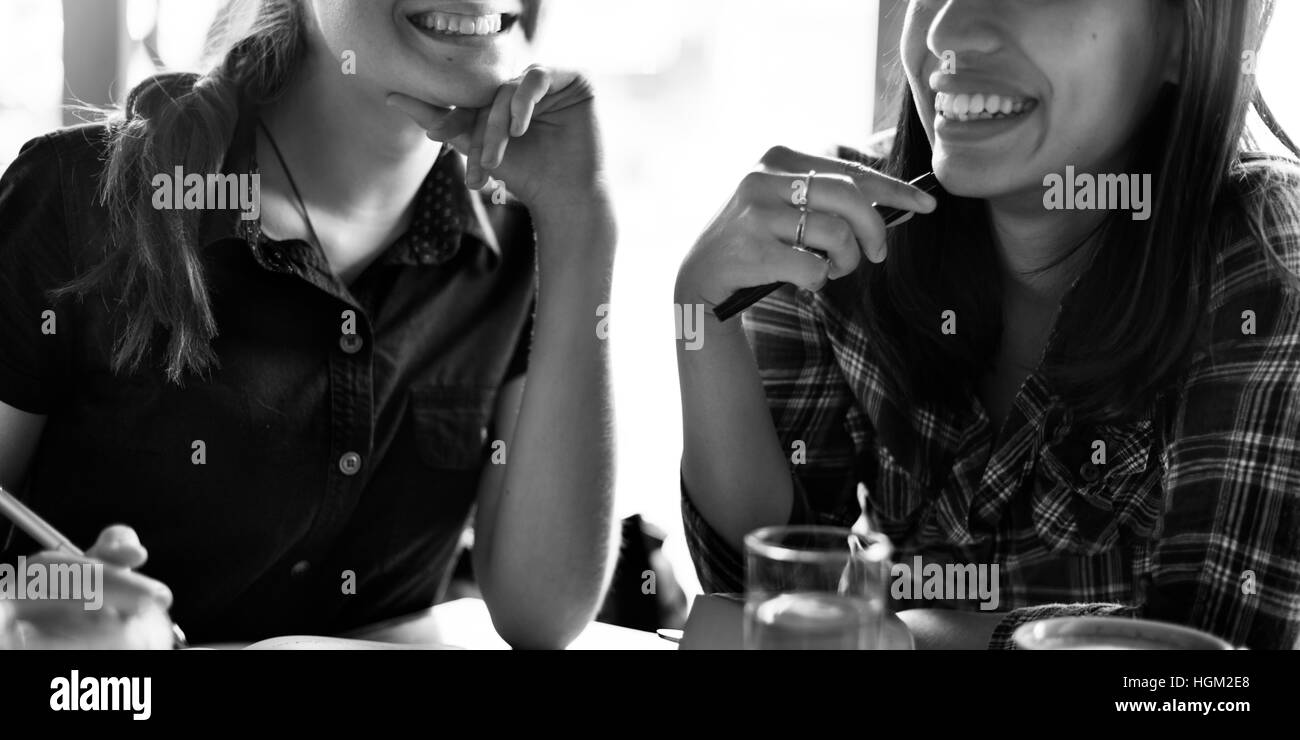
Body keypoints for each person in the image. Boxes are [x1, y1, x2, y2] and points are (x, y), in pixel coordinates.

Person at [676, 0, 1300, 649]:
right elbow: (760, 604)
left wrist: (906, 633)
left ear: (1186, 36)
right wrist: (702, 316)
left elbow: (1205, 674)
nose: (948, 31)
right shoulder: (834, 231)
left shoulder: (1267, 257)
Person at [0, 0, 617, 649]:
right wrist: (20, 609)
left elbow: (543, 618)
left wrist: (583, 218)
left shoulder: (523, 232)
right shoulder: (73, 197)